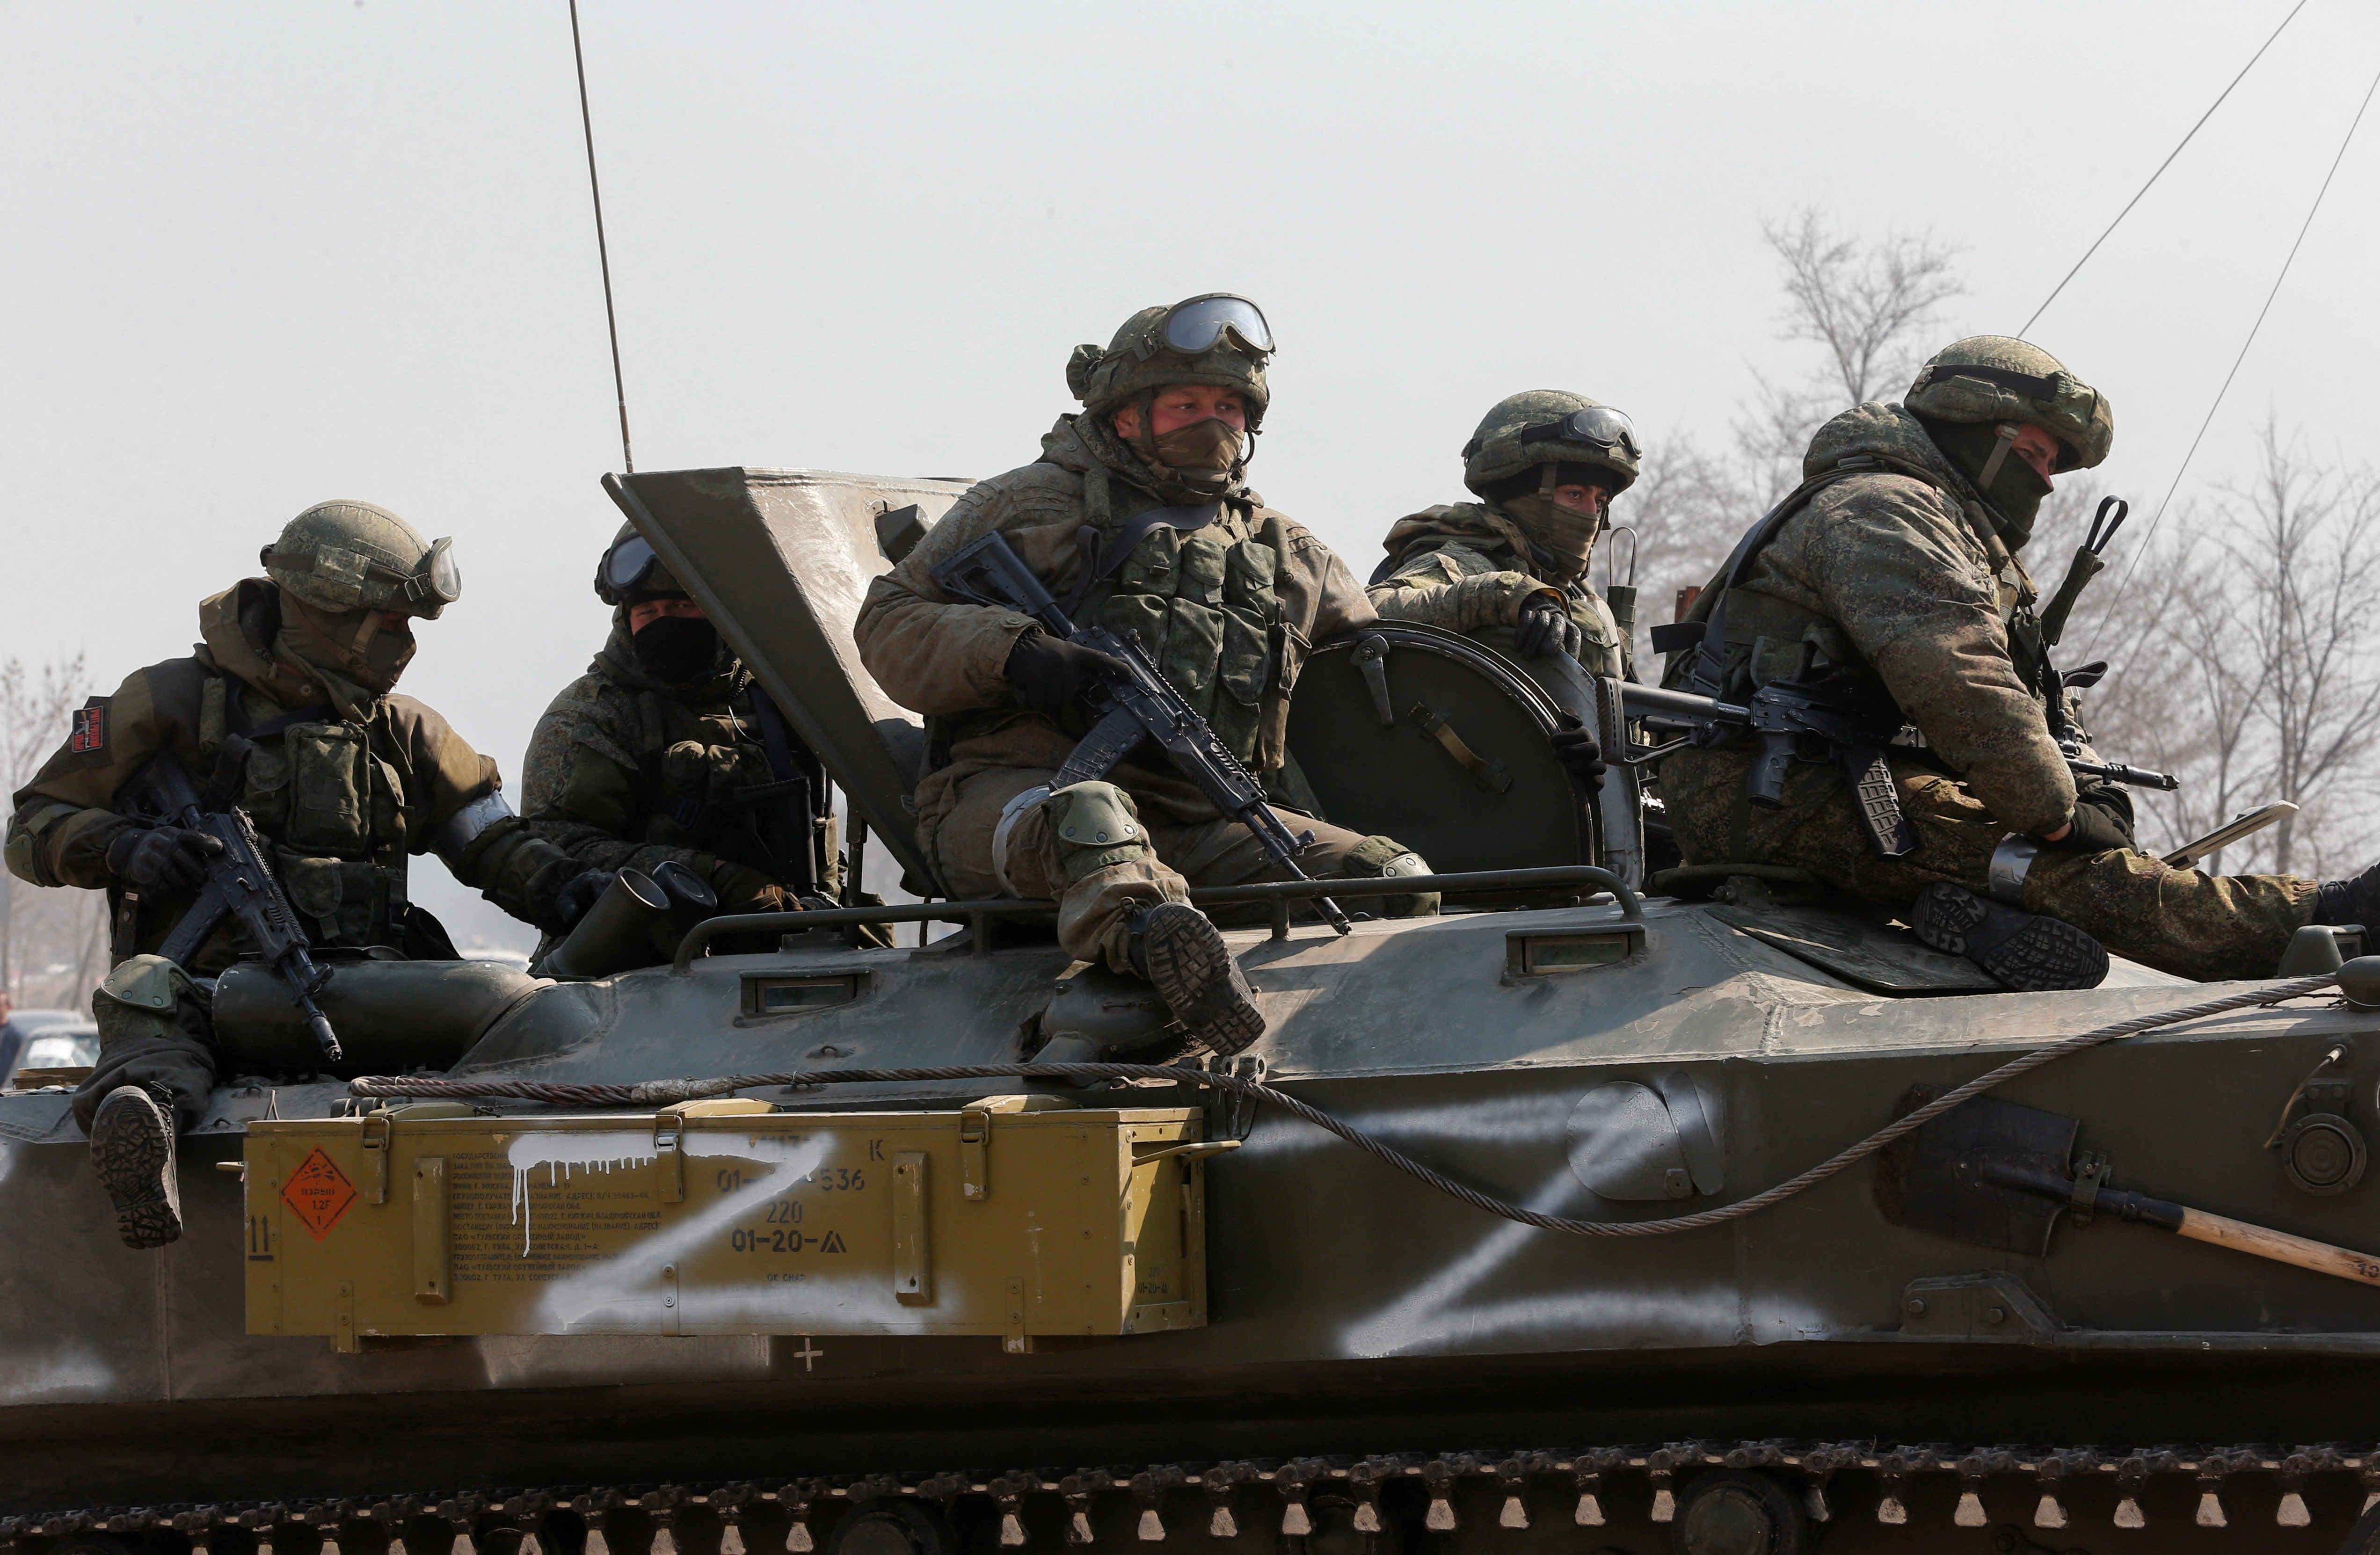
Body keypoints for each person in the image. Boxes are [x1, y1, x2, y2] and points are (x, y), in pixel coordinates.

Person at [1657, 336, 2379, 988]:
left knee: (2043, 858)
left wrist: (2085, 787)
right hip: (1765, 794)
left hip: (1826, 780)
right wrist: (2057, 816)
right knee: (2057, 872)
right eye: (2031, 454)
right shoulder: (1881, 510)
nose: (2045, 481)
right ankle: (2320, 921)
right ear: (1974, 431)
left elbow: (2027, 689)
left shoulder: (1947, 530)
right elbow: (1960, 679)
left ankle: (1969, 913)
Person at [5, 500, 598, 1249]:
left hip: (368, 993)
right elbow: (31, 830)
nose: (406, 645)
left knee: (500, 998)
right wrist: (123, 847)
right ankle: (145, 1120)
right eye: (390, 623)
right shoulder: (167, 703)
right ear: (326, 610)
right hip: (214, 996)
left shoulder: (404, 730)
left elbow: (492, 843)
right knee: (146, 999)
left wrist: (573, 890)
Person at [855, 295, 1431, 1056]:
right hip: (1013, 803)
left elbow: (1387, 627)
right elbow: (888, 621)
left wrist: (1497, 602)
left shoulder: (1277, 545)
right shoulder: (1025, 503)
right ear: (1123, 414)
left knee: (1387, 874)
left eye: (1228, 406)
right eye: (1185, 403)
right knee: (1093, 816)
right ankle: (1159, 947)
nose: (1212, 423)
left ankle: (1364, 1046)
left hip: (1197, 819)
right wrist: (1015, 651)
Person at [519, 523, 853, 960]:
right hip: (637, 965)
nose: (666, 623)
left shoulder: (781, 700)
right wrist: (710, 876)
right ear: (626, 619)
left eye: (681, 604)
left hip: (789, 949)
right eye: (648, 612)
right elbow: (558, 849)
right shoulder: (593, 714)